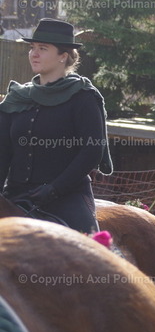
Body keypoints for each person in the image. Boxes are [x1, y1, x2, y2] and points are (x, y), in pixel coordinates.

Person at [0, 18, 112, 234]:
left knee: (88, 248)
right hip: (15, 195)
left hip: (67, 198)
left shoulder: (84, 97)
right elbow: (2, 152)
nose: (34, 54)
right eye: (32, 48)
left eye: (43, 48)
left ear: (64, 56)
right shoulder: (17, 98)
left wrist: (54, 189)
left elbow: (91, 151)